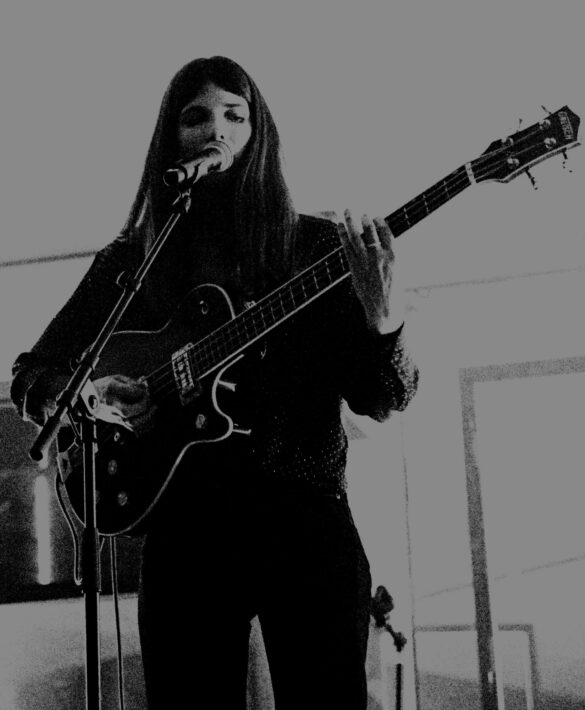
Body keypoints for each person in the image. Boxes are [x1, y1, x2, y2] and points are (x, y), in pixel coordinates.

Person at [11, 56, 419, 709]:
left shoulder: (314, 248)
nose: (215, 130)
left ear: (260, 134)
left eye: (235, 114)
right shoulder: (133, 261)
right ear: (171, 140)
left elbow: (383, 397)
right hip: (187, 532)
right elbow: (34, 371)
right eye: (195, 116)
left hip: (305, 517)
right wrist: (88, 399)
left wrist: (385, 321)